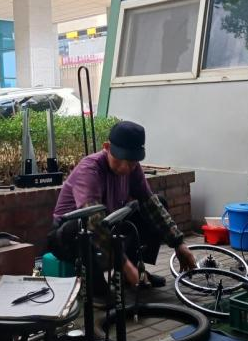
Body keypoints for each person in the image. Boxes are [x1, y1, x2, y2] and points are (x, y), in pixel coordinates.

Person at [48, 120, 197, 292]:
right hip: (67, 236)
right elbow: (93, 221)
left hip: (107, 224)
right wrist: (123, 264)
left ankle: (136, 269)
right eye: (121, 160)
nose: (126, 167)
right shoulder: (90, 170)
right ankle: (97, 289)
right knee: (82, 226)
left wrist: (178, 243)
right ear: (107, 147)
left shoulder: (133, 169)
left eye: (132, 162)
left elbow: (151, 205)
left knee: (155, 203)